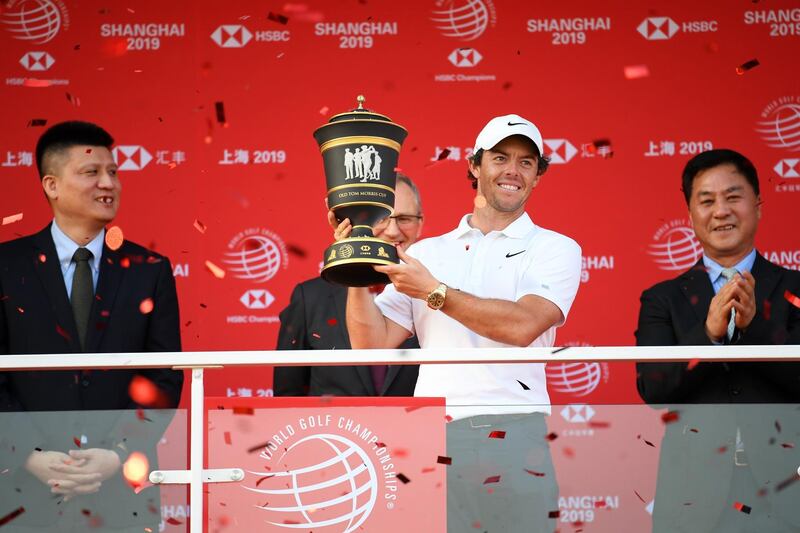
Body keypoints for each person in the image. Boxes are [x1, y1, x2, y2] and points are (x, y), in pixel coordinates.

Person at [342, 115, 582, 532]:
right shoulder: (429, 253)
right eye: (500, 157)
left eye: (527, 162)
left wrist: (435, 291)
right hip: (438, 432)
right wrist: (358, 264)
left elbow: (523, 327)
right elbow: (372, 346)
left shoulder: (556, 248)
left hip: (517, 432)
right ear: (475, 165)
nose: (512, 170)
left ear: (538, 175)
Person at [0, 121, 184, 532]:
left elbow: (163, 376)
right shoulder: (7, 266)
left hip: (121, 488)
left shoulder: (149, 269)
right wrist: (29, 453)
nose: (108, 183)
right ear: (51, 184)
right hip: (20, 486)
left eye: (113, 172)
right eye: (91, 172)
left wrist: (117, 452)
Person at [636, 149, 800, 533]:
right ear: (691, 215)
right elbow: (654, 387)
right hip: (693, 495)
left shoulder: (795, 288)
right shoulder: (663, 298)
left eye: (733, 196)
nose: (721, 211)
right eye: (706, 201)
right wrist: (708, 336)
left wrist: (753, 327)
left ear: (757, 206)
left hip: (787, 488)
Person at [274, 174, 424, 396]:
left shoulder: (434, 294)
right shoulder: (310, 298)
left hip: (419, 429)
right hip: (335, 431)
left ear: (420, 224)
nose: (393, 231)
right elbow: (287, 396)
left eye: (404, 218)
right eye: (381, 218)